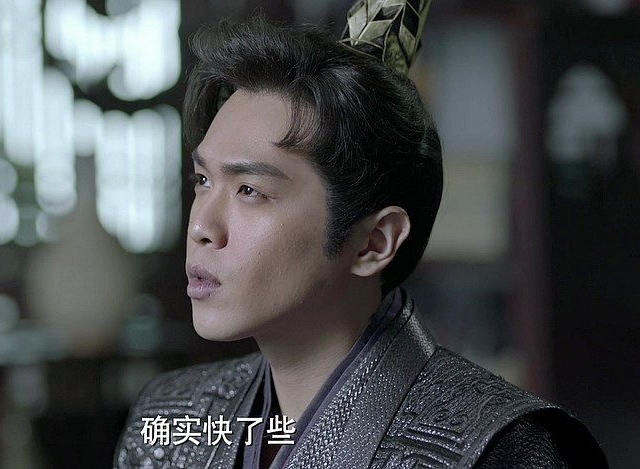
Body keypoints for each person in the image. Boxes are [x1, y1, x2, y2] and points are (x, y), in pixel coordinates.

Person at [114, 1, 607, 467]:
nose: (201, 227)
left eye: (249, 190)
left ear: (374, 242)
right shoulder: (171, 419)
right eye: (203, 180)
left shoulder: (505, 450)